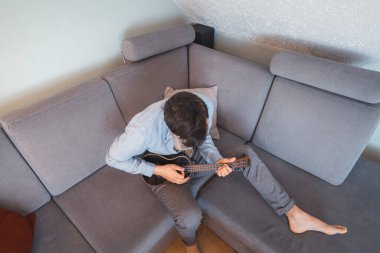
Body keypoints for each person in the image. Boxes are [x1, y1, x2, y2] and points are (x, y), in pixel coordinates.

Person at [106, 92, 347, 253]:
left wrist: (218, 160)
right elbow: (112, 158)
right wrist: (158, 169)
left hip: (190, 159)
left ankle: (294, 214)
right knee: (190, 217)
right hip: (161, 172)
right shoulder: (140, 132)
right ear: (174, 133)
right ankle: (190, 246)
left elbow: (205, 142)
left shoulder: (201, 106)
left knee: (246, 156)